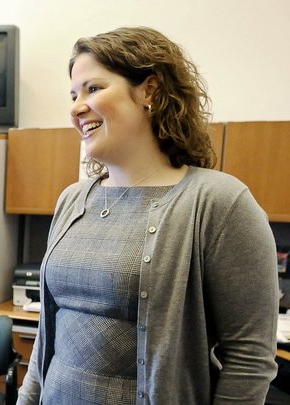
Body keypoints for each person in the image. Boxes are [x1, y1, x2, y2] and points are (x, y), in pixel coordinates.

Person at [17, 27, 279, 404]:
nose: (76, 107)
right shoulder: (72, 201)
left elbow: (250, 359)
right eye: (73, 95)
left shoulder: (218, 203)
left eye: (93, 89)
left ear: (149, 91)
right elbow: (48, 333)